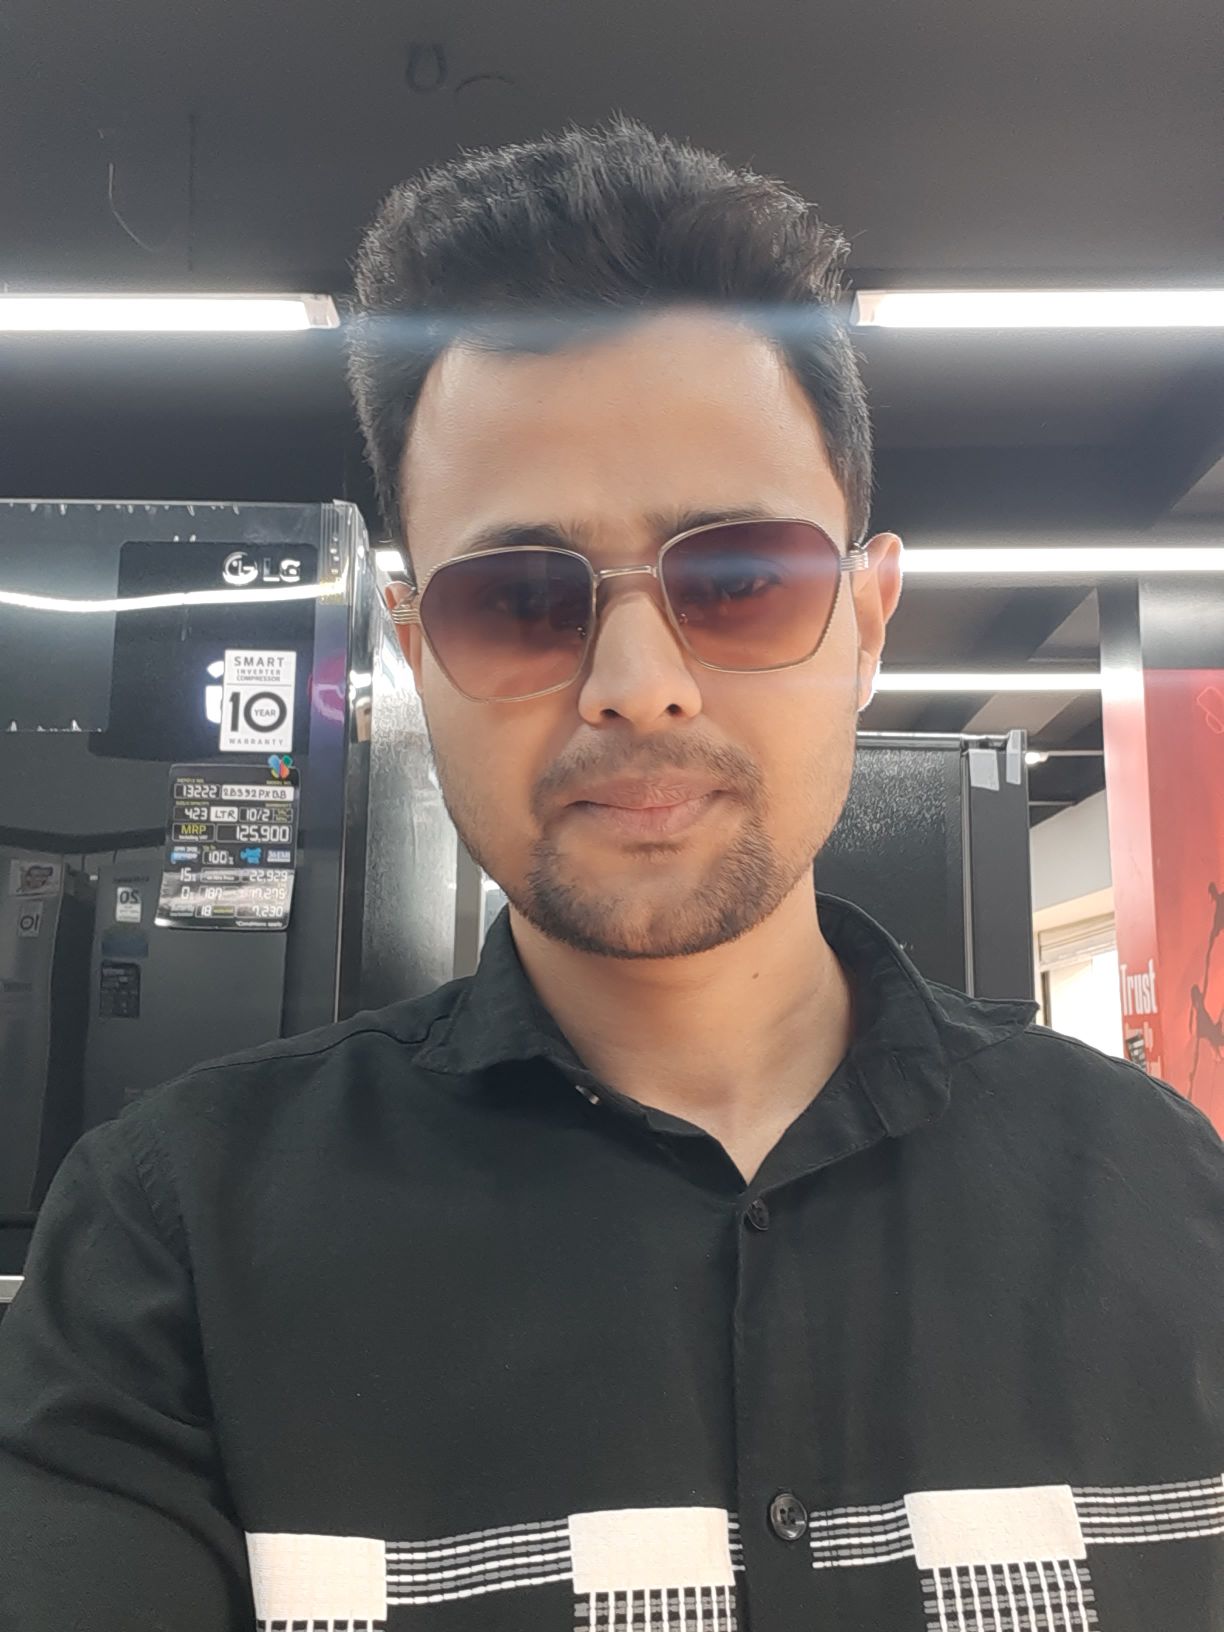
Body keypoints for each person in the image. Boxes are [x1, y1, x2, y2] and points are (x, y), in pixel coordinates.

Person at [1, 116, 1222, 1632]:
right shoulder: (171, 1247)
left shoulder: (1172, 1200)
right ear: (414, 650)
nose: (638, 686)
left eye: (740, 579)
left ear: (868, 620)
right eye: (520, 600)